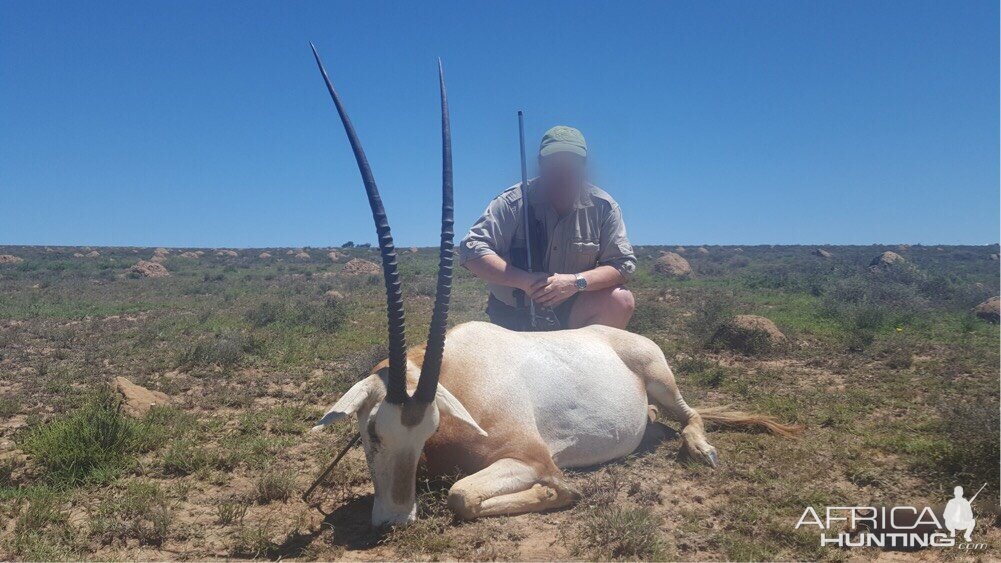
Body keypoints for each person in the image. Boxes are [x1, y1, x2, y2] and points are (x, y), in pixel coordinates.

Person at [459, 125, 637, 331]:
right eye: (554, 163)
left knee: (620, 300)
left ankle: (582, 360)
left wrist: (575, 283)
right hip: (513, 313)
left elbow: (623, 265)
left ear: (584, 165)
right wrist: (525, 281)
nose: (563, 171)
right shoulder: (512, 203)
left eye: (571, 163)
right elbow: (471, 251)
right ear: (541, 164)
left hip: (570, 308)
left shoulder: (604, 207)